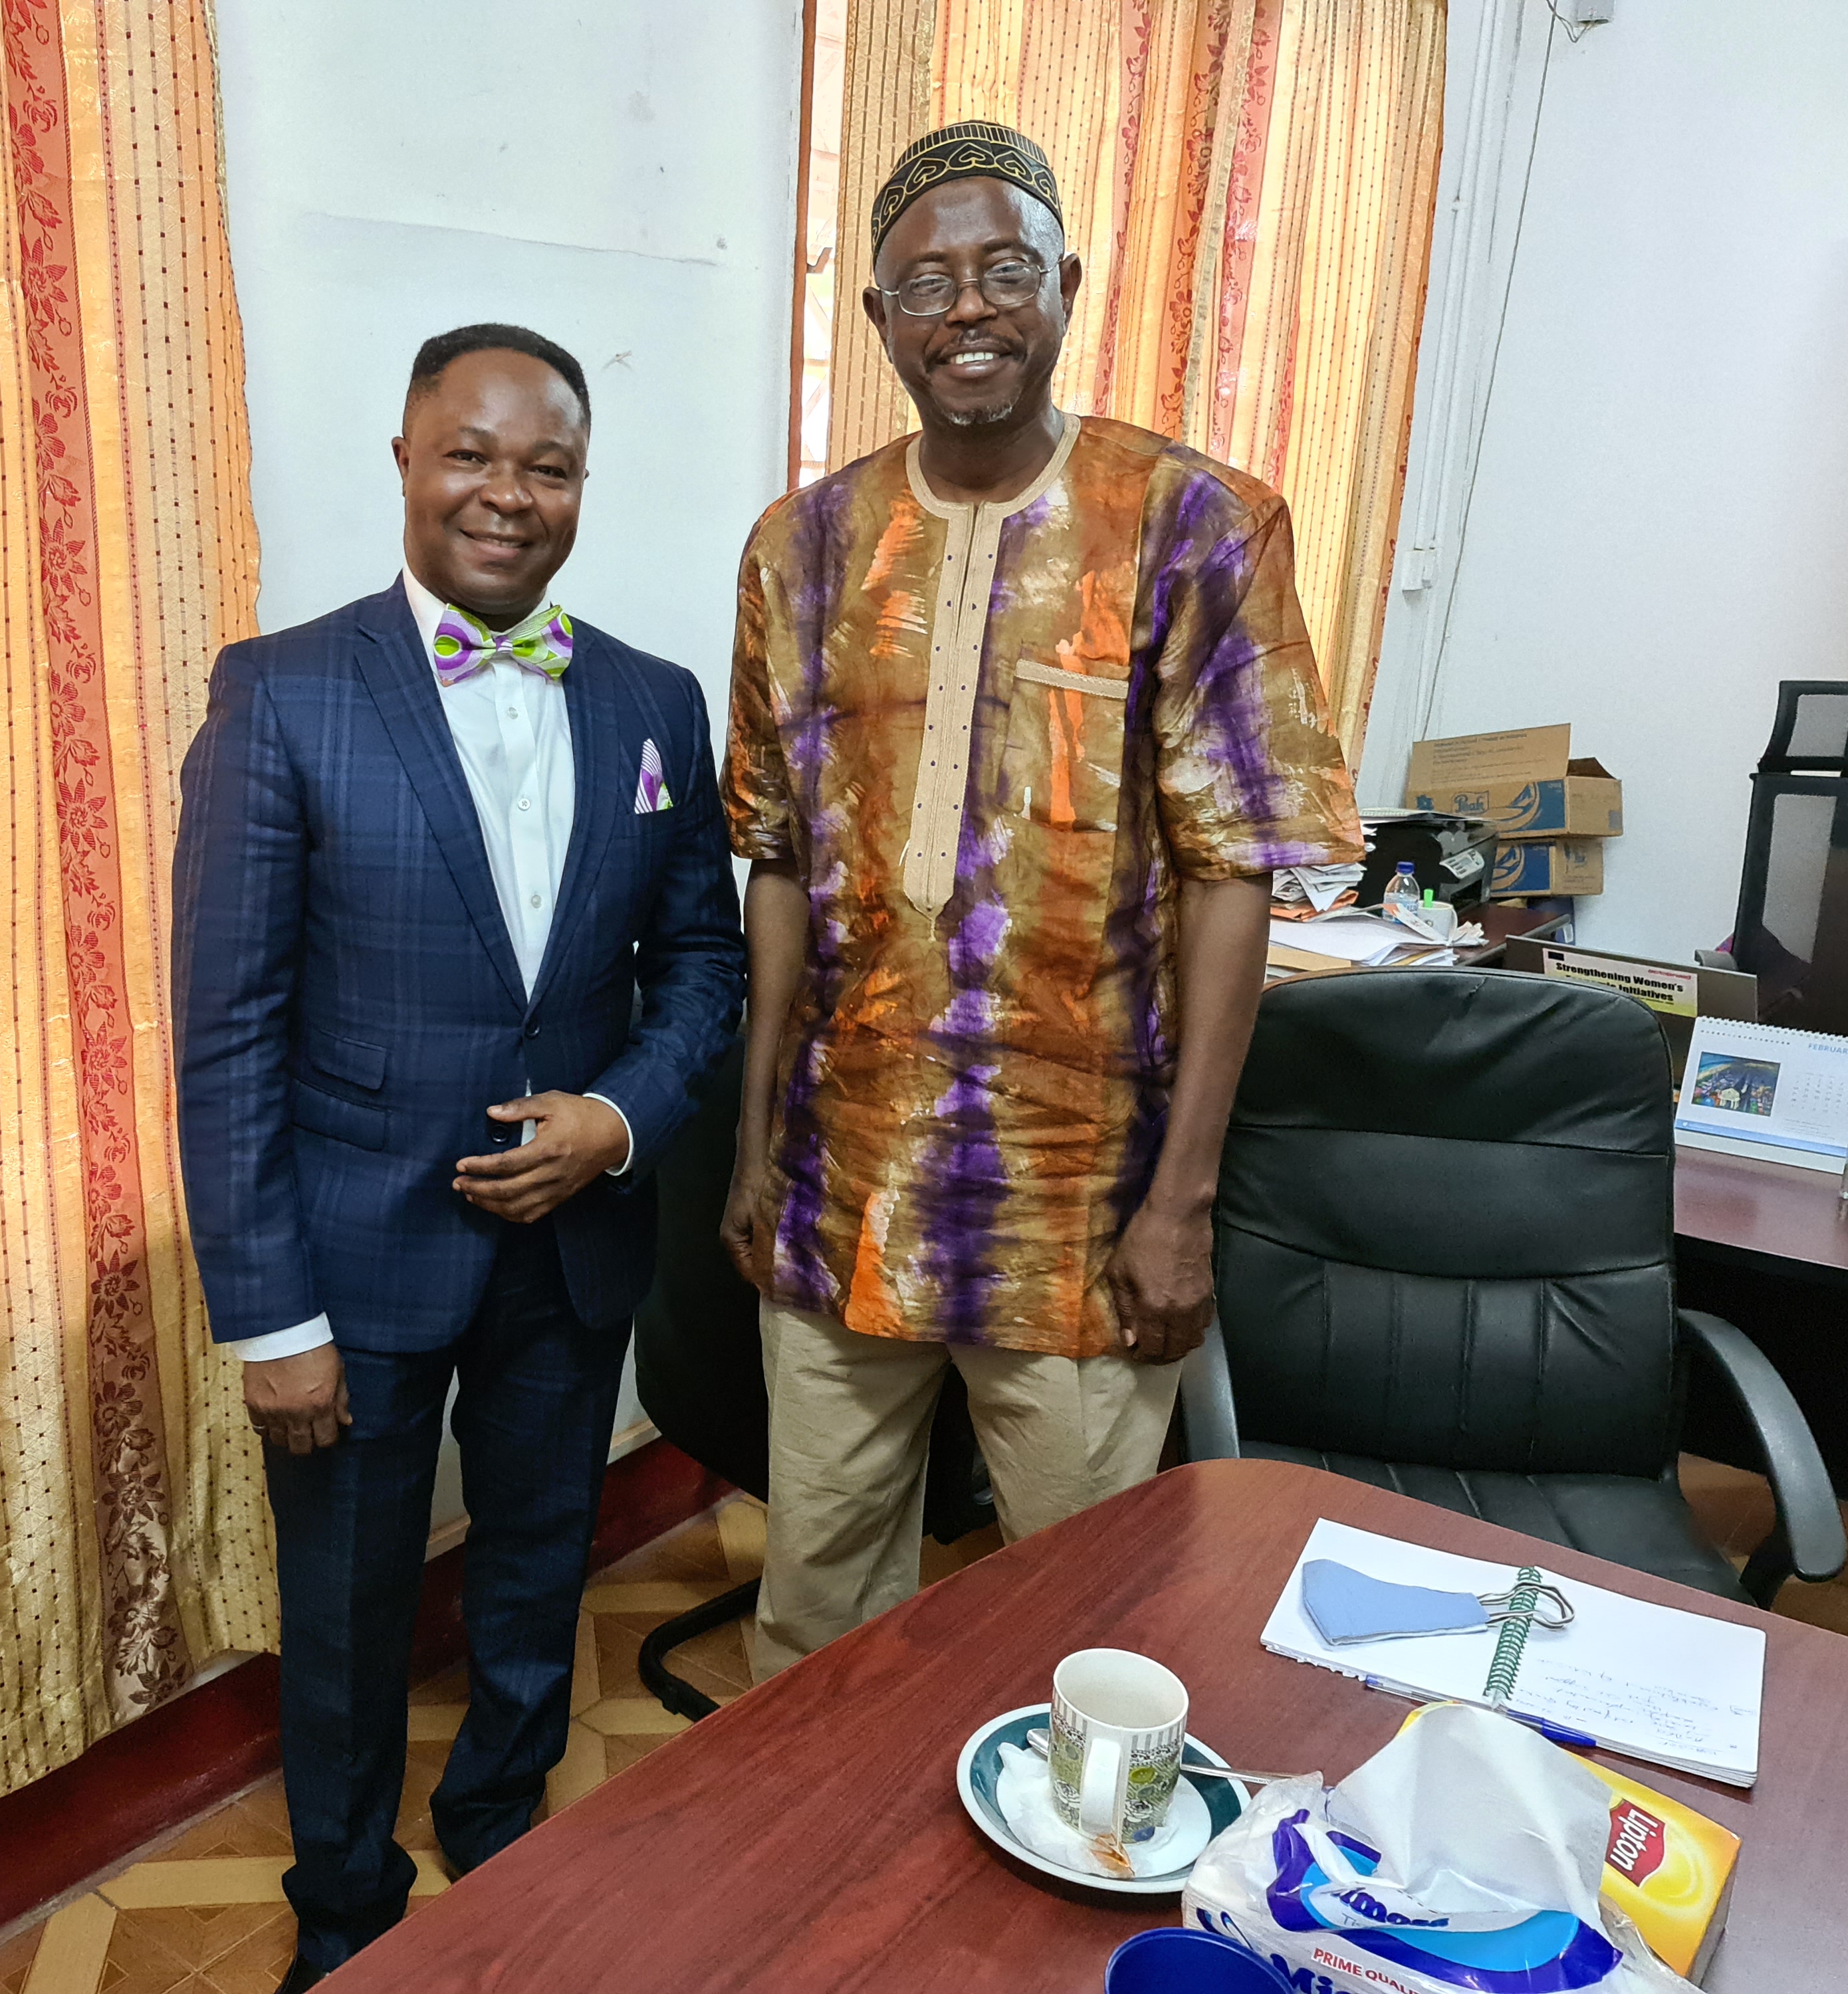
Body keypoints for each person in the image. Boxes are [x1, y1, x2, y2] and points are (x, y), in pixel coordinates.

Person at [719, 123, 1360, 1678]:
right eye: (923, 282)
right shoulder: (801, 551)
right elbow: (778, 859)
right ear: (874, 317)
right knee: (814, 1618)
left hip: (1076, 1204)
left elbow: (1231, 871)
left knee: (1080, 1635)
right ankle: (826, 1847)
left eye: (1003, 270)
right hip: (839, 1188)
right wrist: (750, 1147)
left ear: (1065, 284)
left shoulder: (1196, 524)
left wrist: (1180, 1205)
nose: (966, 310)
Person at [173, 323, 744, 1987]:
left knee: (538, 1563)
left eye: (545, 465)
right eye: (472, 455)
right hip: (351, 1265)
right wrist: (270, 1321)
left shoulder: (651, 700)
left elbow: (699, 964)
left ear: (581, 485)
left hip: (571, 1247)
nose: (507, 493)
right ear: (407, 462)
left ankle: (504, 1838)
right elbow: (224, 1033)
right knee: (347, 1616)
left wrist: (618, 1118)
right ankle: (344, 1913)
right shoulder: (282, 693)